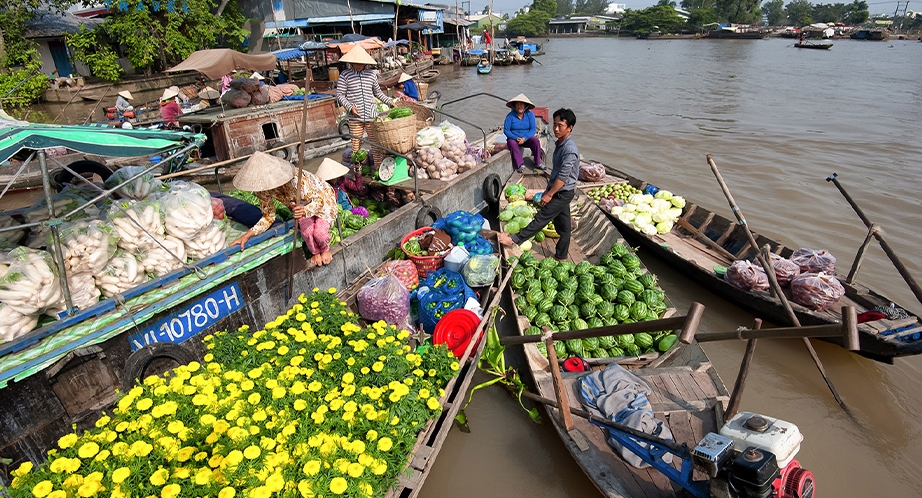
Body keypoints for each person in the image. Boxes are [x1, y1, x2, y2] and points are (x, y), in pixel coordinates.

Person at [230, 152, 340, 267]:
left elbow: (319, 200)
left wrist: (306, 211)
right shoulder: (262, 189)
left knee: (319, 233)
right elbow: (268, 216)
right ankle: (316, 252)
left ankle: (325, 249)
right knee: (307, 232)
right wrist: (247, 235)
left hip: (323, 202)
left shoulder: (297, 180)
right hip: (300, 206)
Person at [498, 108, 579, 261]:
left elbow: (563, 177)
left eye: (560, 125)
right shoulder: (561, 143)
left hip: (562, 191)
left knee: (542, 218)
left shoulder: (569, 149)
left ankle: (514, 239)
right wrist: (549, 189)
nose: (556, 129)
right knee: (564, 225)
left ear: (570, 128)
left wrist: (549, 194)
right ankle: (561, 255)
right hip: (560, 189)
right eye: (554, 125)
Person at [335, 45, 395, 168]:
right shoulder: (345, 75)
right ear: (350, 62)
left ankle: (379, 169)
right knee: (356, 147)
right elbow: (340, 95)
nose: (358, 65)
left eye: (361, 63)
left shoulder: (371, 74)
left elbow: (377, 92)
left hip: (371, 116)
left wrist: (389, 102)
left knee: (376, 145)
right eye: (355, 62)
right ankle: (358, 173)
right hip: (355, 118)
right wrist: (350, 107)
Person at [503, 93, 542, 173]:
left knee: (535, 141)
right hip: (514, 139)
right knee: (511, 143)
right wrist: (515, 138)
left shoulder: (530, 115)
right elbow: (506, 130)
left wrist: (524, 138)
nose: (519, 106)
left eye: (521, 104)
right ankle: (520, 164)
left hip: (526, 138)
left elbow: (532, 129)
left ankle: (538, 162)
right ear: (514, 106)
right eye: (517, 104)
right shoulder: (510, 116)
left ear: (525, 106)